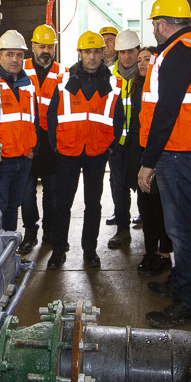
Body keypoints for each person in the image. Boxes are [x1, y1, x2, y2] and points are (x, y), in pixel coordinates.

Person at [137, 0, 191, 328]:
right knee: (180, 227)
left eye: (154, 24)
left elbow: (167, 111)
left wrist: (149, 161)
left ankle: (186, 302)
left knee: (182, 230)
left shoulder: (180, 52)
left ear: (161, 24)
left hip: (181, 153)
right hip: (188, 150)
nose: (154, 30)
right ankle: (179, 282)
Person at [46, 31, 120, 269]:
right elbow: (51, 116)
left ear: (103, 54)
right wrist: (56, 146)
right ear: (79, 54)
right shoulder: (64, 81)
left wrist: (110, 146)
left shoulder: (112, 83)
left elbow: (118, 118)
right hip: (68, 152)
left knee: (93, 204)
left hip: (97, 153)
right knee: (62, 204)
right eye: (87, 52)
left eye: (97, 52)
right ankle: (58, 250)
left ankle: (90, 250)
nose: (92, 57)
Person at [120, 46, 172, 275]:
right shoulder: (137, 86)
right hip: (138, 152)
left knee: (161, 207)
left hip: (158, 154)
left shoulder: (164, 86)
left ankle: (164, 254)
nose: (142, 63)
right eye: (140, 60)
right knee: (146, 206)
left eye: (147, 59)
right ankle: (150, 251)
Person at [21, 24, 64, 254]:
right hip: (26, 140)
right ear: (33, 46)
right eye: (41, 46)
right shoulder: (20, 68)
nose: (46, 51)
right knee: (27, 193)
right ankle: (30, 232)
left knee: (53, 192)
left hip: (52, 142)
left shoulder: (63, 73)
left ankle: (50, 231)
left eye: (50, 47)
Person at [0, 31, 37, 231]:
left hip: (23, 158)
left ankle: (9, 244)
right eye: (10, 54)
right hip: (0, 161)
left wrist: (32, 149)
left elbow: (33, 119)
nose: (15, 59)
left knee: (13, 207)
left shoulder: (28, 85)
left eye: (19, 55)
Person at [105, 28, 140, 249]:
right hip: (116, 144)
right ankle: (123, 229)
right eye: (123, 52)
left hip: (139, 143)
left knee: (144, 186)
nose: (127, 56)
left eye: (131, 51)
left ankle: (147, 223)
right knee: (119, 187)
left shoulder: (146, 75)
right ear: (117, 53)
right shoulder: (109, 75)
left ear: (138, 51)